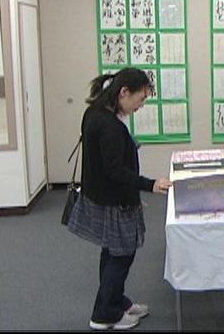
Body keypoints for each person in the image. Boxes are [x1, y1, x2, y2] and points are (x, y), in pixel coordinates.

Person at [67, 67, 172, 330]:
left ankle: (115, 301)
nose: (141, 105)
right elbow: (114, 171)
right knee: (121, 256)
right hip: (113, 202)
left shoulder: (96, 112)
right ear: (124, 92)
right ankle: (104, 315)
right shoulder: (109, 125)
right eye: (141, 99)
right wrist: (150, 185)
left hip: (105, 197)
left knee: (112, 252)